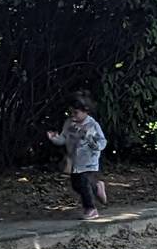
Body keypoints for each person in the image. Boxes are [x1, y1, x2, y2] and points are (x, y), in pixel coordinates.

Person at [45, 93, 109, 222]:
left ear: (86, 111)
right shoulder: (69, 123)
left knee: (84, 183)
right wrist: (54, 139)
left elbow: (102, 142)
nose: (73, 116)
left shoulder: (92, 125)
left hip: (89, 160)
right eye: (71, 113)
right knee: (76, 185)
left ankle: (91, 209)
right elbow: (64, 138)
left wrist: (91, 140)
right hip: (75, 160)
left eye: (76, 113)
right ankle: (97, 187)